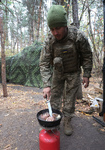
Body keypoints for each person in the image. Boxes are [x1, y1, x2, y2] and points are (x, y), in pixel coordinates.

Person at [39, 5, 92, 136]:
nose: (55, 32)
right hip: (58, 73)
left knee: (70, 99)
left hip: (74, 72)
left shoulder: (77, 36)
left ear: (65, 25)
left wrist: (86, 74)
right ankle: (54, 121)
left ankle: (67, 120)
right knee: (55, 97)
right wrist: (46, 84)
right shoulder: (50, 41)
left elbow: (87, 55)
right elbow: (44, 62)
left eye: (58, 28)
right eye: (52, 29)